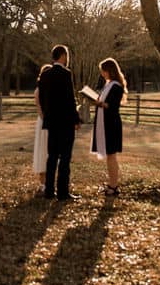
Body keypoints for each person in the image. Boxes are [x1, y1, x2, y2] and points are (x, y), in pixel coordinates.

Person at [38, 45, 82, 201]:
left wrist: (47, 114)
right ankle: (63, 192)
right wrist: (76, 119)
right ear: (63, 55)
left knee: (52, 157)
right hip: (65, 123)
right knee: (65, 158)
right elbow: (70, 100)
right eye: (67, 55)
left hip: (51, 122)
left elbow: (42, 99)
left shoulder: (45, 74)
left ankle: (49, 191)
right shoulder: (65, 73)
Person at [92, 57, 127, 196]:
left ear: (109, 71)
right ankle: (112, 184)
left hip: (111, 124)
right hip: (106, 123)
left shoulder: (116, 86)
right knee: (110, 156)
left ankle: (113, 186)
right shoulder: (109, 85)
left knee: (111, 155)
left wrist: (99, 103)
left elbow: (112, 106)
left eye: (103, 71)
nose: (102, 74)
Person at [32, 64, 52, 193]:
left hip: (51, 122)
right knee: (42, 150)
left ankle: (49, 181)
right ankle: (43, 183)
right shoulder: (39, 90)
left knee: (50, 152)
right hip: (44, 122)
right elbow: (39, 109)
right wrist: (47, 121)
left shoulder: (50, 89)